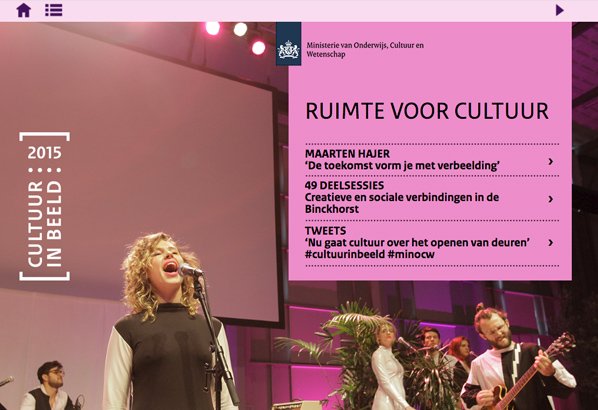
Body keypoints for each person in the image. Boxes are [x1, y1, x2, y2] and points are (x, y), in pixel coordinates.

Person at [102, 232, 238, 410]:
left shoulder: (212, 327)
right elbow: (114, 402)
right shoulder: (127, 329)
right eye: (157, 253)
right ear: (144, 272)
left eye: (174, 252)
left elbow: (226, 401)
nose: (169, 254)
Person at [460, 303, 576, 410]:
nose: (498, 334)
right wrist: (477, 398)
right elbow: (465, 396)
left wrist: (551, 372)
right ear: (483, 336)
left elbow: (570, 384)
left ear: (507, 323)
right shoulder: (479, 364)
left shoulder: (533, 351)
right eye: (491, 332)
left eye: (500, 327)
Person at [371, 322, 416, 410]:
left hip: (398, 402)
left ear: (394, 336)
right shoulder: (378, 354)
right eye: (384, 331)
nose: (388, 333)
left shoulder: (392, 357)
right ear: (378, 337)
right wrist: (406, 405)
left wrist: (403, 404)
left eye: (391, 331)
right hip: (385, 402)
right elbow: (384, 382)